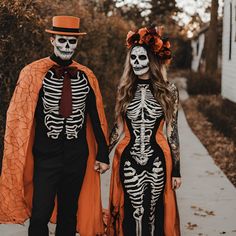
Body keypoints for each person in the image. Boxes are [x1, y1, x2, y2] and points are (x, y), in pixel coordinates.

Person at [0, 16, 109, 236]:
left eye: (71, 41)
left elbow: (96, 116)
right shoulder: (33, 73)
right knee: (40, 213)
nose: (67, 46)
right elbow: (20, 116)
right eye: (62, 41)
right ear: (52, 40)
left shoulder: (87, 76)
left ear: (77, 43)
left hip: (76, 156)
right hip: (46, 156)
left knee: (69, 214)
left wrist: (103, 154)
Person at [107, 26, 181, 236]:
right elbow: (118, 128)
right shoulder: (125, 89)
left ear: (152, 60)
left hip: (157, 157)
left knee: (154, 212)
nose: (137, 62)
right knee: (131, 210)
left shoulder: (168, 90)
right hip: (129, 158)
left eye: (142, 57)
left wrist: (176, 169)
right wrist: (103, 154)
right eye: (133, 58)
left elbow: (172, 131)